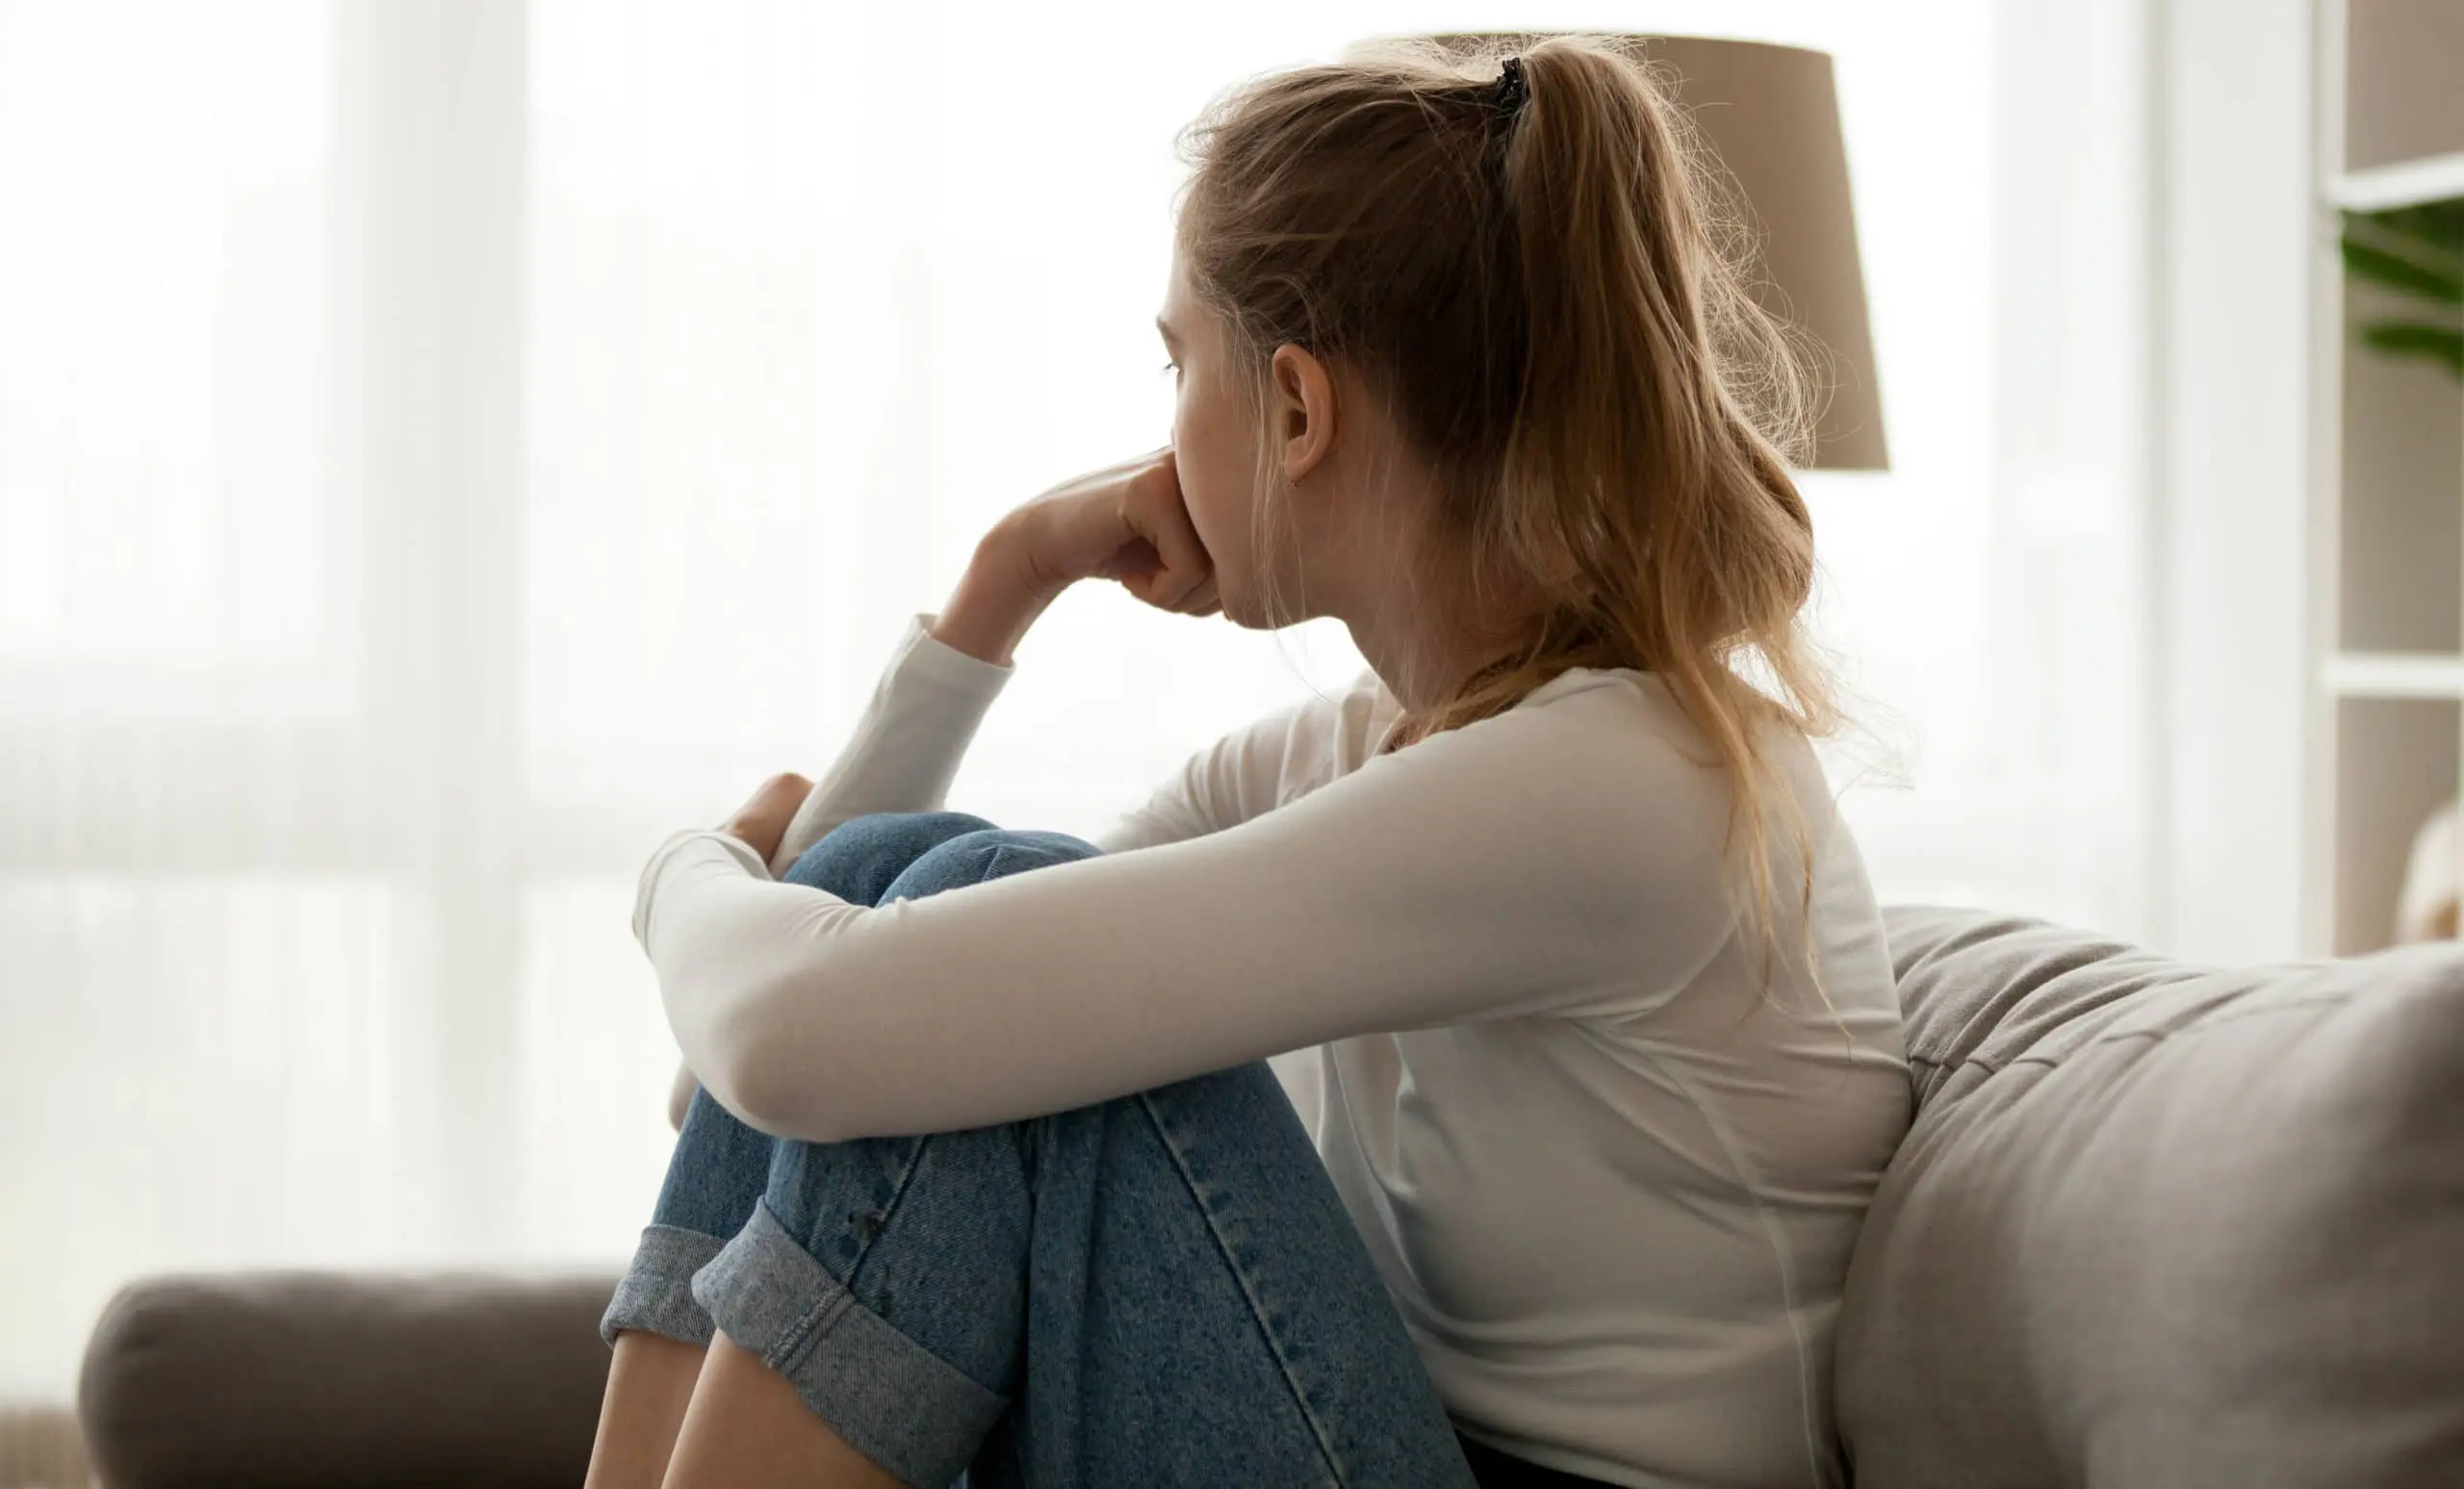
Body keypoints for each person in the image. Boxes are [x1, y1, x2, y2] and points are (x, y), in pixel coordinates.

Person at [582, 35, 1911, 1489]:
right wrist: (1004, 584)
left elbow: (791, 1033)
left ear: (1295, 409)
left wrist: (680, 875)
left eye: (1177, 366)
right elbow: (814, 1028)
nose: (1160, 431)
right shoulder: (1370, 748)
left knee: (985, 944)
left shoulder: (1620, 786)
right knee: (934, 900)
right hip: (1395, 1440)